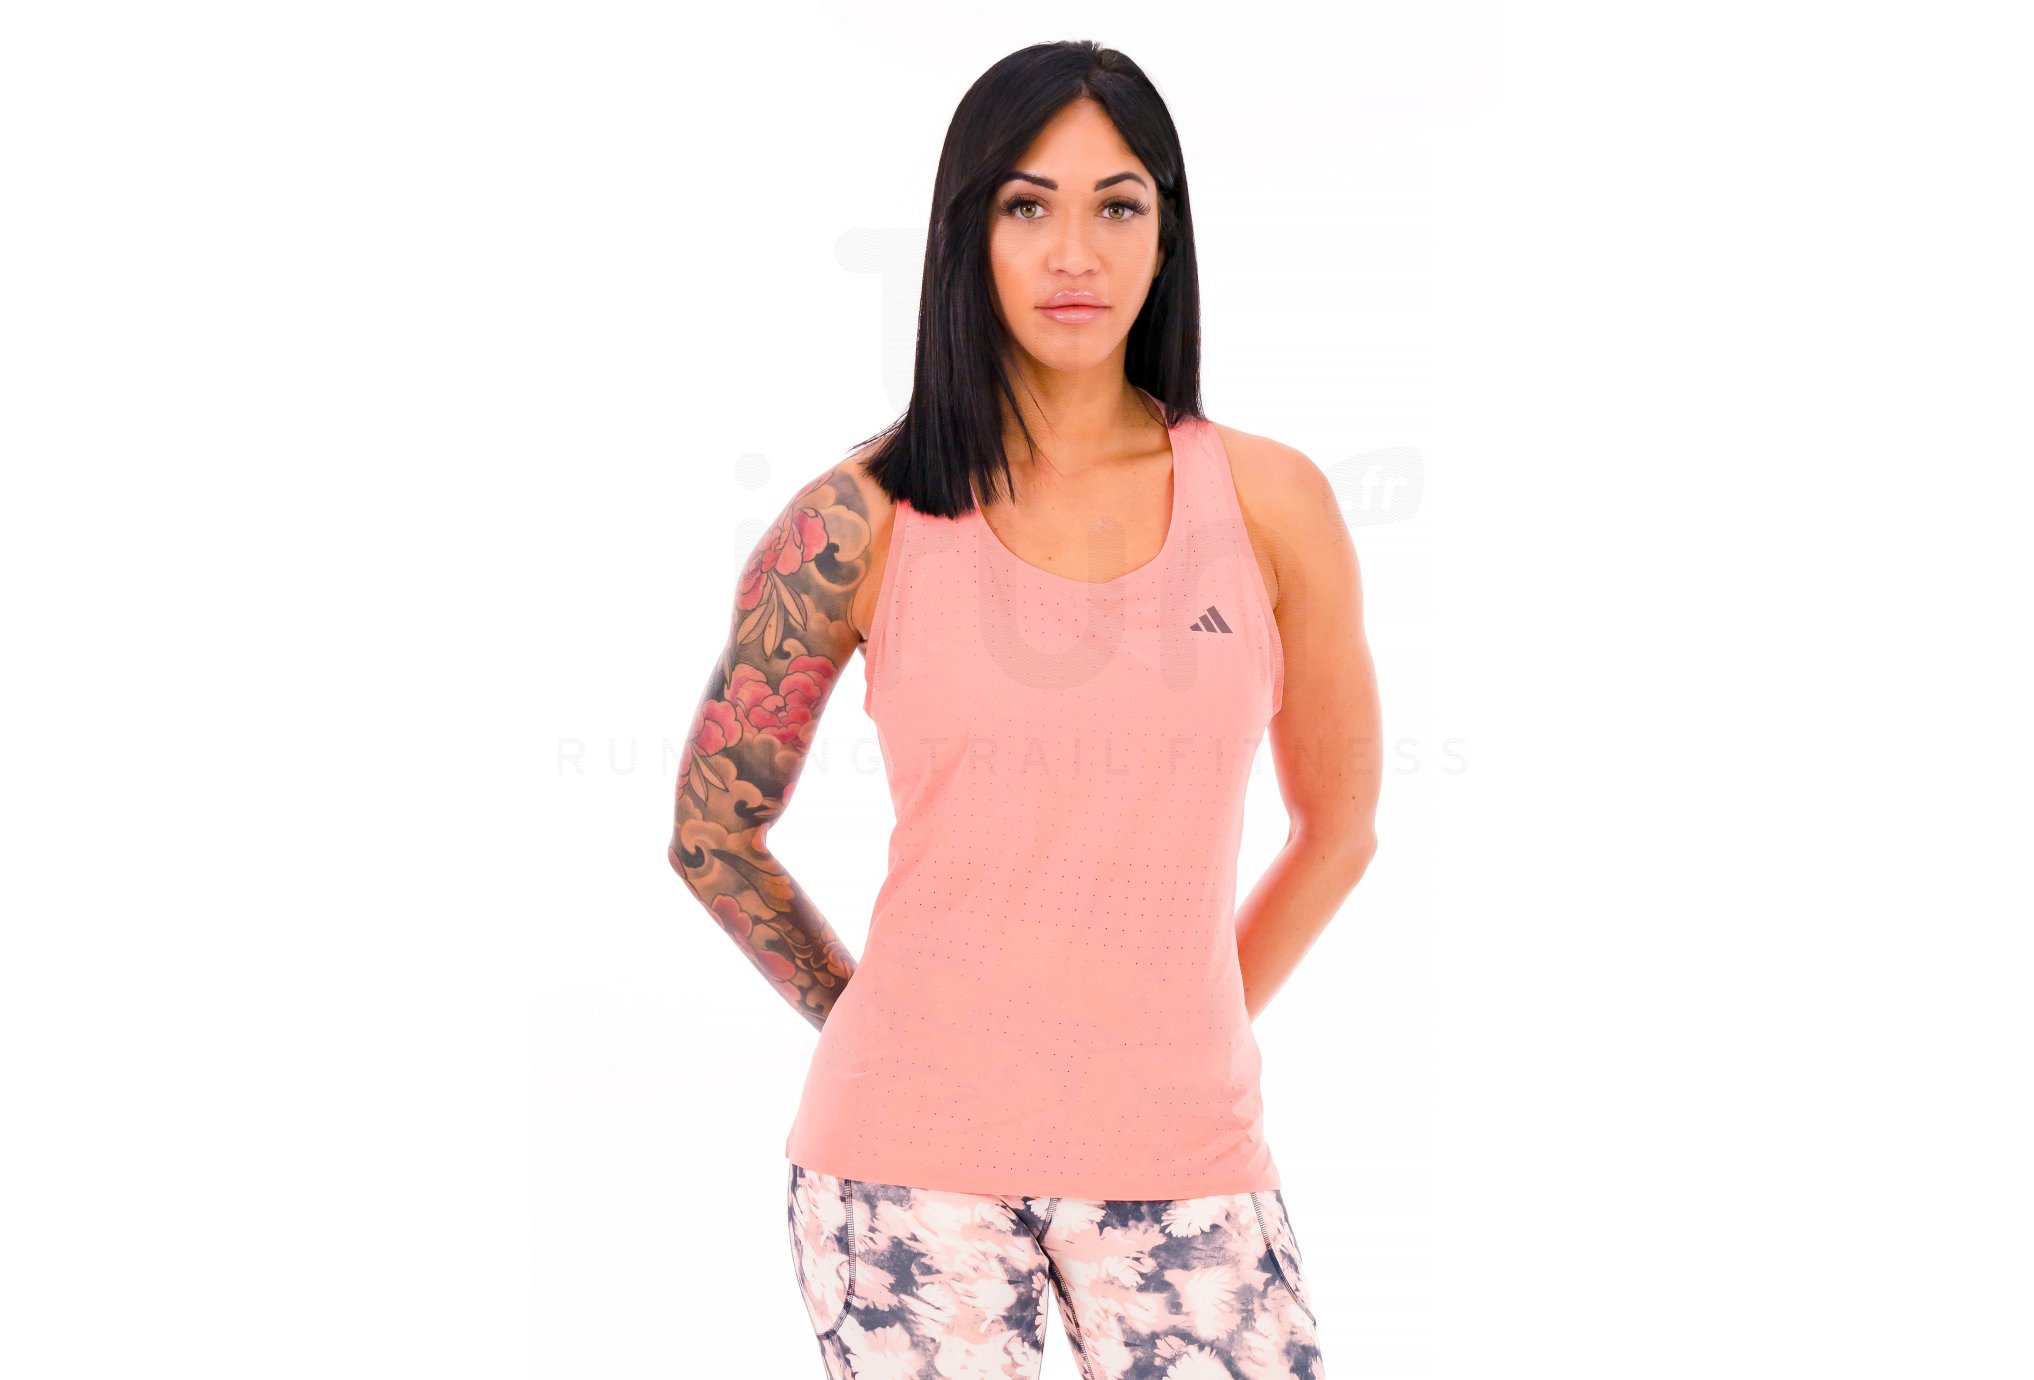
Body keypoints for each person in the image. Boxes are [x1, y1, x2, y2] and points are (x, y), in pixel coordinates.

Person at [668, 39, 1380, 1380]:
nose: (1073, 252)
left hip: (1185, 1152)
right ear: (967, 234)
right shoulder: (858, 518)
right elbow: (713, 834)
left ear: (1166, 233)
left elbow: (1339, 828)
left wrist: (1180, 1027)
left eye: (1117, 204)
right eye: (1025, 204)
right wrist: (877, 1021)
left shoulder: (1270, 502)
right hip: (901, 1167)